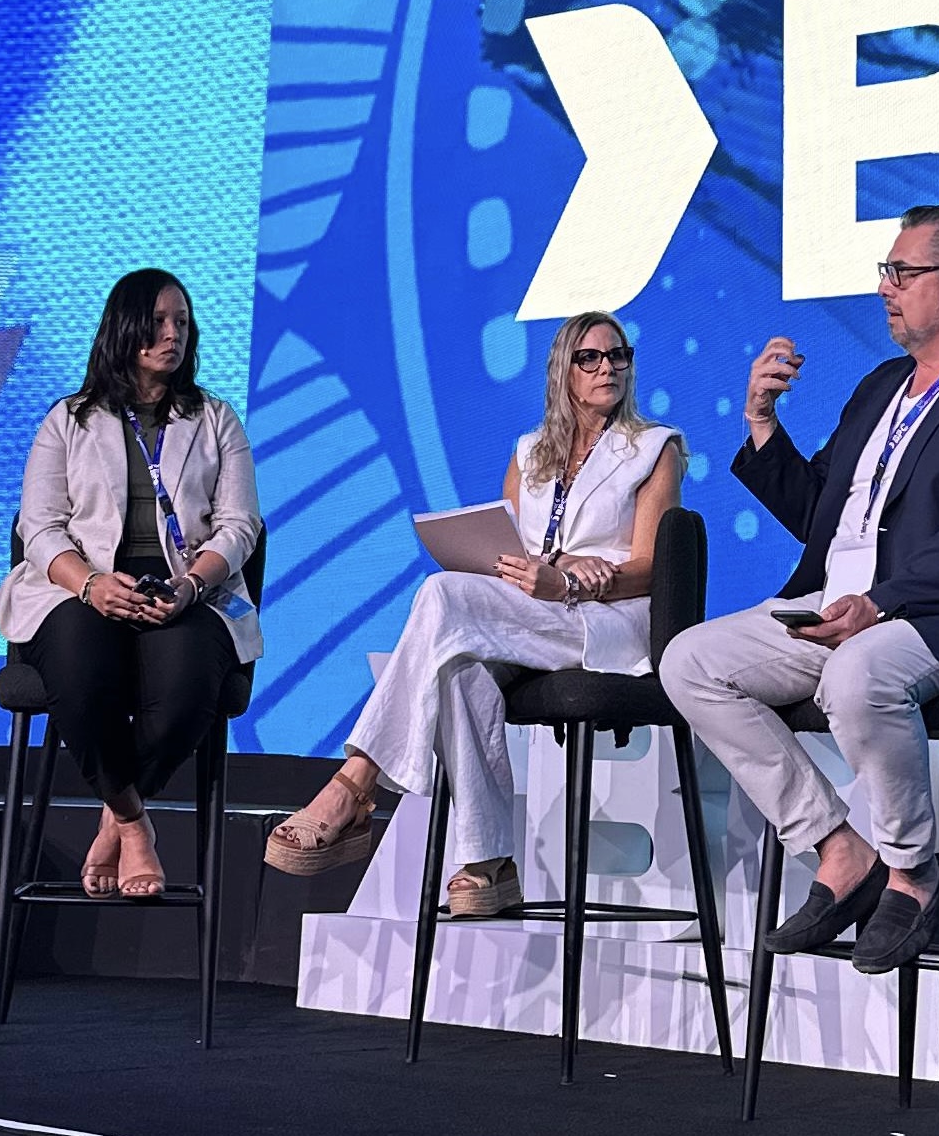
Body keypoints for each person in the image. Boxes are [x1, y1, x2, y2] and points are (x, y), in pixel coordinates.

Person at [660, 203, 939, 973]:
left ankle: (912, 871)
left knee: (857, 672)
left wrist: (883, 601)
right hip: (831, 608)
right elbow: (821, 513)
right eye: (888, 271)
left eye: (901, 271)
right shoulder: (882, 384)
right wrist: (762, 423)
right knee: (689, 660)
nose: (885, 287)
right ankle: (836, 845)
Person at [263, 312, 683, 917]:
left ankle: (353, 783)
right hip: (529, 613)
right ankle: (489, 862)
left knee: (441, 596)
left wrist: (572, 581)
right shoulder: (530, 453)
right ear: (562, 371)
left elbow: (652, 568)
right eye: (590, 358)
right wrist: (542, 567)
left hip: (605, 620)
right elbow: (512, 551)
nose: (607, 368)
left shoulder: (652, 448)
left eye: (618, 356)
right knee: (457, 671)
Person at [0, 269, 261, 898]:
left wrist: (191, 585)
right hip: (79, 588)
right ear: (125, 328)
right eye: (159, 322)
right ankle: (135, 826)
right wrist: (90, 585)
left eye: (182, 324)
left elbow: (240, 525)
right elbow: (38, 527)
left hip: (185, 588)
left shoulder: (215, 419)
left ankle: (114, 812)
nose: (173, 335)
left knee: (186, 698)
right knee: (81, 676)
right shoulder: (68, 420)